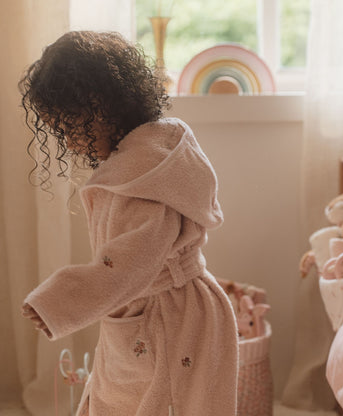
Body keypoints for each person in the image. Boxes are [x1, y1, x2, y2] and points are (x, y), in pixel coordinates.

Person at [19, 31, 238, 416]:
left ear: (100, 108)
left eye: (71, 129)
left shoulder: (145, 176)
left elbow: (129, 261)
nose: (70, 144)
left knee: (153, 402)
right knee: (118, 397)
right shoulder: (145, 158)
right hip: (152, 311)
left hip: (168, 319)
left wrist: (60, 300)